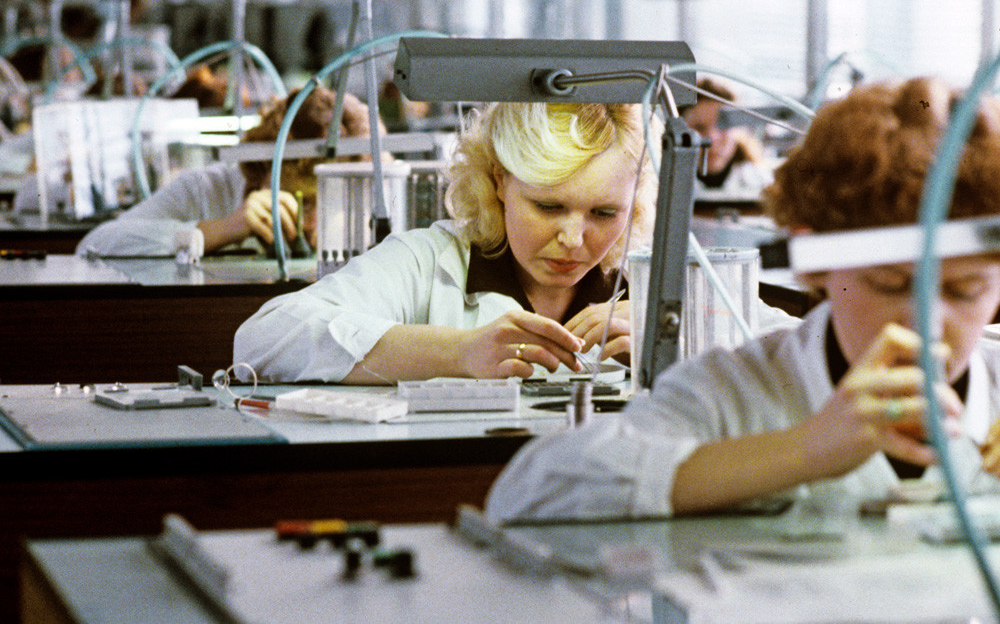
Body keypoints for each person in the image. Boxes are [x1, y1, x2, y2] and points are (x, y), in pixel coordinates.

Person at [485, 76, 1000, 521]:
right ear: (812, 260)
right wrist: (807, 448)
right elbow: (527, 494)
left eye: (965, 289)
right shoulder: (732, 394)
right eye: (889, 282)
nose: (928, 323)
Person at [233, 102, 660, 383]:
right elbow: (262, 341)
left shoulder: (647, 286)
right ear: (499, 181)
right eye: (548, 207)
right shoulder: (428, 261)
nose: (573, 239)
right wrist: (458, 353)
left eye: (604, 213)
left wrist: (669, 345)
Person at [75, 85, 373, 257]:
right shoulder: (207, 190)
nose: (308, 221)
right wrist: (220, 230)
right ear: (260, 170)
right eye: (299, 199)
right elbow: (93, 245)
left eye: (321, 201)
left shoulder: (366, 196)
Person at [681, 77, 773, 197]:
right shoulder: (657, 180)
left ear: (739, 128)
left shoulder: (762, 183)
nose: (712, 139)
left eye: (723, 126)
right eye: (699, 127)